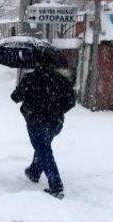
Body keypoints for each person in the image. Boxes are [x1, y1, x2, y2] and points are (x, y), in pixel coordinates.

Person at [11, 61, 76, 199]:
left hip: (36, 122)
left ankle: (56, 185)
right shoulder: (60, 79)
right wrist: (58, 110)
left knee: (43, 149)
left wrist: (23, 85)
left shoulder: (30, 78)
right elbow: (71, 101)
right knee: (43, 146)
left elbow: (15, 97)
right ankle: (34, 172)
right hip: (55, 123)